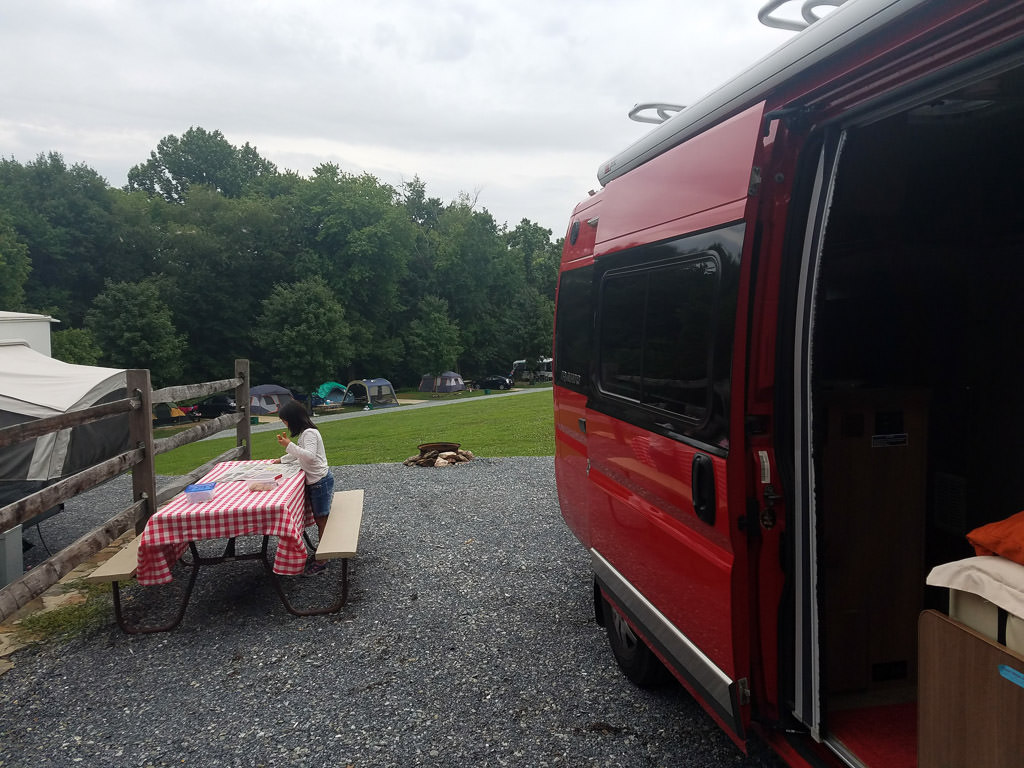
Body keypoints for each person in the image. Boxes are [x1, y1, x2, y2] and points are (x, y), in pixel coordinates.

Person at [272, 400, 334, 576]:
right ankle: (322, 552)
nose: (284, 423)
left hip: (320, 481)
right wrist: (282, 459)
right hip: (317, 481)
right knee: (320, 519)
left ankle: (323, 559)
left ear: (292, 419)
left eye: (285, 420)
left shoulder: (310, 434)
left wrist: (288, 446)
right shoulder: (305, 434)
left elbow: (310, 457)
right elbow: (300, 455)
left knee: (322, 520)